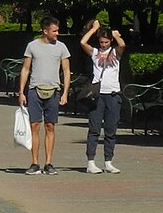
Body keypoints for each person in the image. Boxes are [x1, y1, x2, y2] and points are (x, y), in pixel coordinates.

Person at [15, 15, 71, 176]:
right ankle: (34, 162)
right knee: (34, 126)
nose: (57, 33)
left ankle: (48, 162)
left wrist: (65, 92)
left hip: (53, 91)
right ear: (45, 31)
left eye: (57, 30)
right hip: (34, 90)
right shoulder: (32, 46)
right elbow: (25, 69)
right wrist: (21, 92)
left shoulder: (61, 48)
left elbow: (66, 71)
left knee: (50, 126)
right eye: (54, 30)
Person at [78, 20, 126, 173]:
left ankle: (108, 161)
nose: (103, 44)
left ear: (110, 41)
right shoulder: (95, 53)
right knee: (94, 129)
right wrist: (94, 29)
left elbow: (123, 45)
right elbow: (83, 42)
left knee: (111, 130)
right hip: (97, 96)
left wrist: (117, 36)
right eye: (101, 42)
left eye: (106, 42)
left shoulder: (115, 53)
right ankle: (91, 162)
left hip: (113, 95)